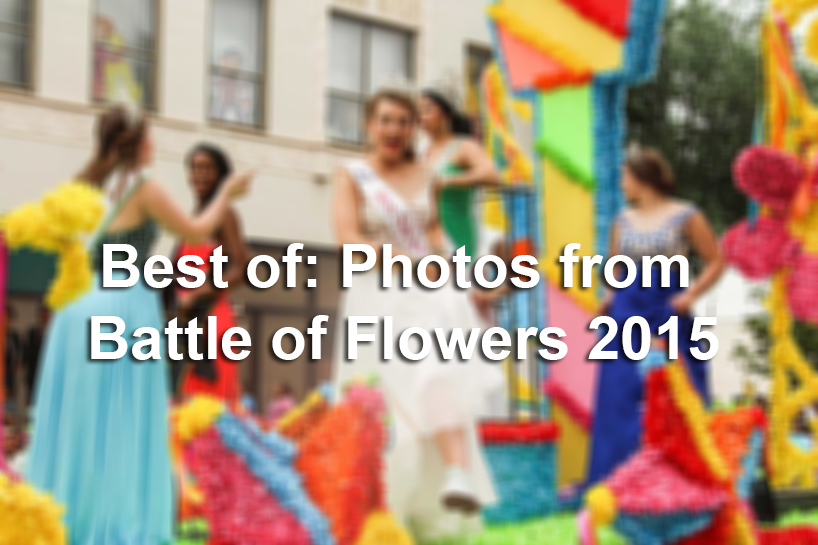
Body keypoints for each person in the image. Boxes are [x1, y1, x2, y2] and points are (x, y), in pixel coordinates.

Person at [27, 105, 252, 545]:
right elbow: (197, 224)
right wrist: (230, 191)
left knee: (81, 423)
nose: (154, 144)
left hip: (76, 309)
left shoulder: (83, 185)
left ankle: (66, 522)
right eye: (149, 135)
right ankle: (116, 525)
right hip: (122, 308)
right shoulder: (145, 187)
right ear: (137, 141)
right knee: (123, 424)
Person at [332, 89, 502, 541]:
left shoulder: (429, 176)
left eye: (404, 121)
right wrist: (399, 258)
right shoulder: (351, 175)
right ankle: (383, 509)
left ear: (413, 129)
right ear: (370, 125)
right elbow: (348, 238)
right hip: (376, 298)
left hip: (426, 293)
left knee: (437, 374)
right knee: (385, 400)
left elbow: (433, 232)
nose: (394, 129)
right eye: (385, 120)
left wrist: (443, 258)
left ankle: (453, 481)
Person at [587, 145, 725, 485]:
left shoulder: (686, 214)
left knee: (677, 390)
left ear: (641, 177)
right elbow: (615, 267)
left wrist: (691, 293)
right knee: (619, 395)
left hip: (667, 310)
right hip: (625, 315)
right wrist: (608, 297)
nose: (621, 184)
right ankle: (618, 482)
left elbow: (717, 260)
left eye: (625, 176)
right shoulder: (622, 220)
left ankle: (683, 482)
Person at [175, 143, 250, 406]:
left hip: (214, 320)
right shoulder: (194, 216)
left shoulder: (225, 214)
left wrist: (199, 293)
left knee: (213, 406)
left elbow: (243, 268)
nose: (200, 174)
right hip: (189, 324)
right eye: (195, 168)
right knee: (187, 406)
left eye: (207, 168)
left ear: (221, 174)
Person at [419, 89, 499, 260]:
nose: (421, 117)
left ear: (446, 114)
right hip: (425, 233)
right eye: (418, 112)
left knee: (453, 281)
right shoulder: (420, 150)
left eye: (427, 110)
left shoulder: (463, 146)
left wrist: (451, 179)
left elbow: (491, 174)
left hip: (456, 232)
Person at [24, 305, 50, 406]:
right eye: (43, 315)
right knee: (32, 402)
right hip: (33, 373)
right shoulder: (32, 332)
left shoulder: (55, 333)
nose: (45, 317)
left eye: (47, 315)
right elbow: (27, 353)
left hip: (48, 373)